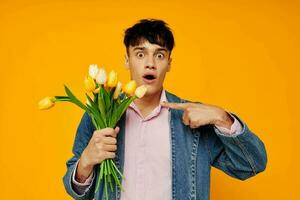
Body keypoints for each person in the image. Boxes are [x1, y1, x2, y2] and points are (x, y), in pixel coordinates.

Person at [63, 19, 267, 200]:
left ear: (169, 63)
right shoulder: (99, 115)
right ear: (127, 60)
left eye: (159, 55)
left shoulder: (193, 118)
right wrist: (85, 163)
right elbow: (74, 190)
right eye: (140, 54)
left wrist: (222, 118)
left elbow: (251, 165)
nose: (150, 64)